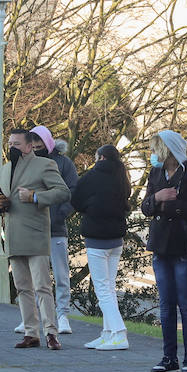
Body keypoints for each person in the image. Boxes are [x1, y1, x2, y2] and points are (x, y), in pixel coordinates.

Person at [140, 130, 187, 372]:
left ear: (167, 150)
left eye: (154, 149)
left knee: (186, 304)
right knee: (166, 304)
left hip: (183, 246)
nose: (152, 155)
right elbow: (145, 206)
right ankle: (169, 357)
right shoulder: (156, 172)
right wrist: (157, 197)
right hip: (160, 245)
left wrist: (173, 206)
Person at [0, 128, 71, 349]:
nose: (12, 147)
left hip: (36, 234)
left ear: (30, 146)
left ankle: (51, 332)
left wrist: (35, 196)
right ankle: (31, 333)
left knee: (42, 286)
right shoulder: (5, 169)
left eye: (17, 143)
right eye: (10, 143)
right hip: (13, 234)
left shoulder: (44, 165)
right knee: (22, 288)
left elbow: (63, 192)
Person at [70, 144, 132, 350]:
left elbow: (76, 200)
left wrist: (90, 206)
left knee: (102, 289)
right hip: (116, 239)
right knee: (109, 287)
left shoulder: (91, 176)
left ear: (101, 158)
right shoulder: (122, 177)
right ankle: (107, 333)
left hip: (96, 239)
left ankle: (119, 332)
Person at [31, 125, 80, 335]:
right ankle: (34, 316)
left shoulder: (64, 163)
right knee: (36, 277)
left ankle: (62, 315)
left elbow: (73, 190)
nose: (35, 146)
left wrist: (60, 214)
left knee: (61, 275)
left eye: (38, 142)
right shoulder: (28, 162)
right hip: (33, 228)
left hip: (56, 228)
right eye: (32, 143)